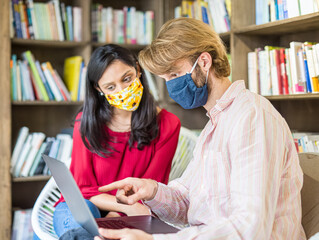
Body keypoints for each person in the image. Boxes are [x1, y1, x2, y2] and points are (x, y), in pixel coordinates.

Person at [95, 18, 306, 240]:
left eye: (174, 74)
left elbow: (249, 227)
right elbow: (189, 203)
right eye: (165, 79)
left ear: (204, 62)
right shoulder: (214, 124)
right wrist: (152, 190)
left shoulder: (252, 116)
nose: (171, 87)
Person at [52, 44, 181, 238]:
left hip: (136, 213)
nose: (122, 90)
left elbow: (150, 188)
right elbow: (82, 190)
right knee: (78, 226)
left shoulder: (168, 124)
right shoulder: (85, 123)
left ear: (138, 70)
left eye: (127, 79)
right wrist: (123, 208)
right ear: (98, 89)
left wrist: (117, 215)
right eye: (110, 87)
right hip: (84, 207)